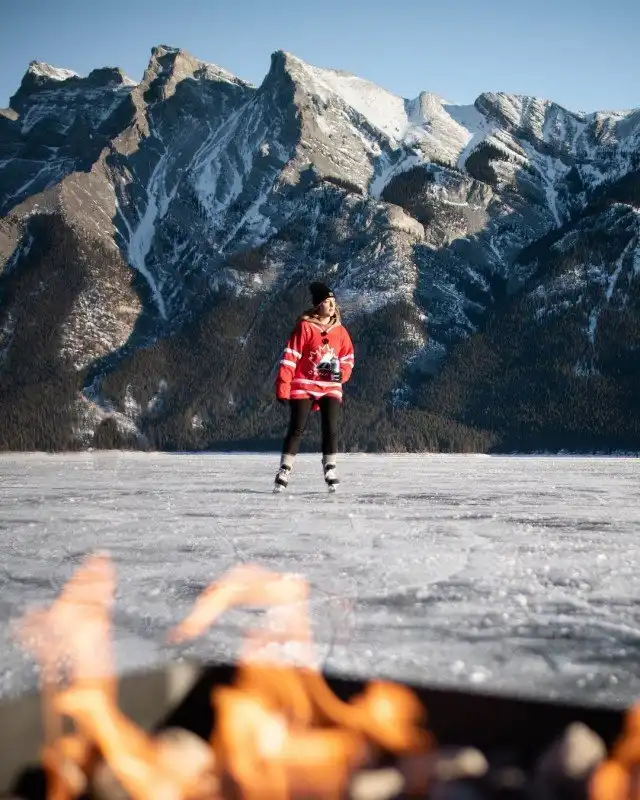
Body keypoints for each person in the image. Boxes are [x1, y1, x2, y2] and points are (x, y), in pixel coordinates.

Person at [274, 282, 355, 492]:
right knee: (297, 428)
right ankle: (284, 469)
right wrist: (283, 385)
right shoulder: (304, 327)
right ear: (318, 305)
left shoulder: (341, 331)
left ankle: (330, 467)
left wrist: (341, 374)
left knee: (331, 427)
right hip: (303, 384)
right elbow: (290, 357)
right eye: (328, 302)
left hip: (330, 386)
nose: (332, 305)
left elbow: (348, 358)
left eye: (334, 301)